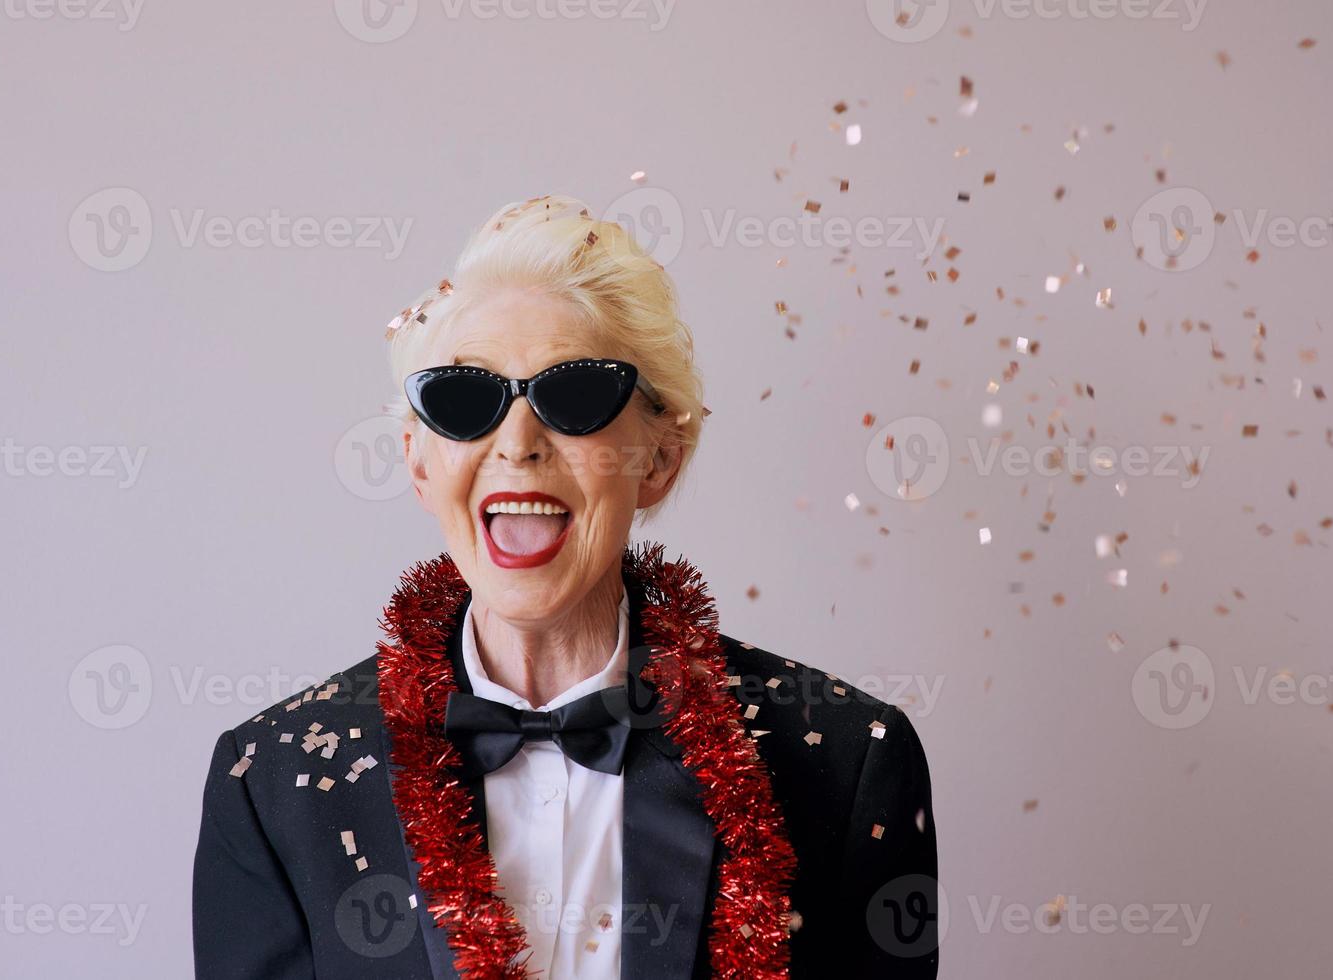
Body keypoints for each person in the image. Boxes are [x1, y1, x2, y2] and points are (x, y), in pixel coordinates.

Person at [191, 194, 940, 978]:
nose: (516, 444)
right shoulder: (276, 785)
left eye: (575, 396)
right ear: (418, 460)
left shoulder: (847, 762)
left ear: (660, 457)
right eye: (465, 398)